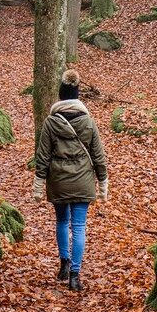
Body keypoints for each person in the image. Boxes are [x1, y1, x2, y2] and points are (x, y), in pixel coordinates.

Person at [32, 69, 108, 291]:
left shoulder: (50, 122)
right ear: (77, 96)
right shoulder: (88, 122)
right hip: (83, 181)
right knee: (79, 226)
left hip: (58, 181)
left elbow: (43, 156)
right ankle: (75, 275)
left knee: (62, 222)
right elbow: (98, 156)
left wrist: (38, 186)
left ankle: (63, 263)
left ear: (61, 95)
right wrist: (102, 184)